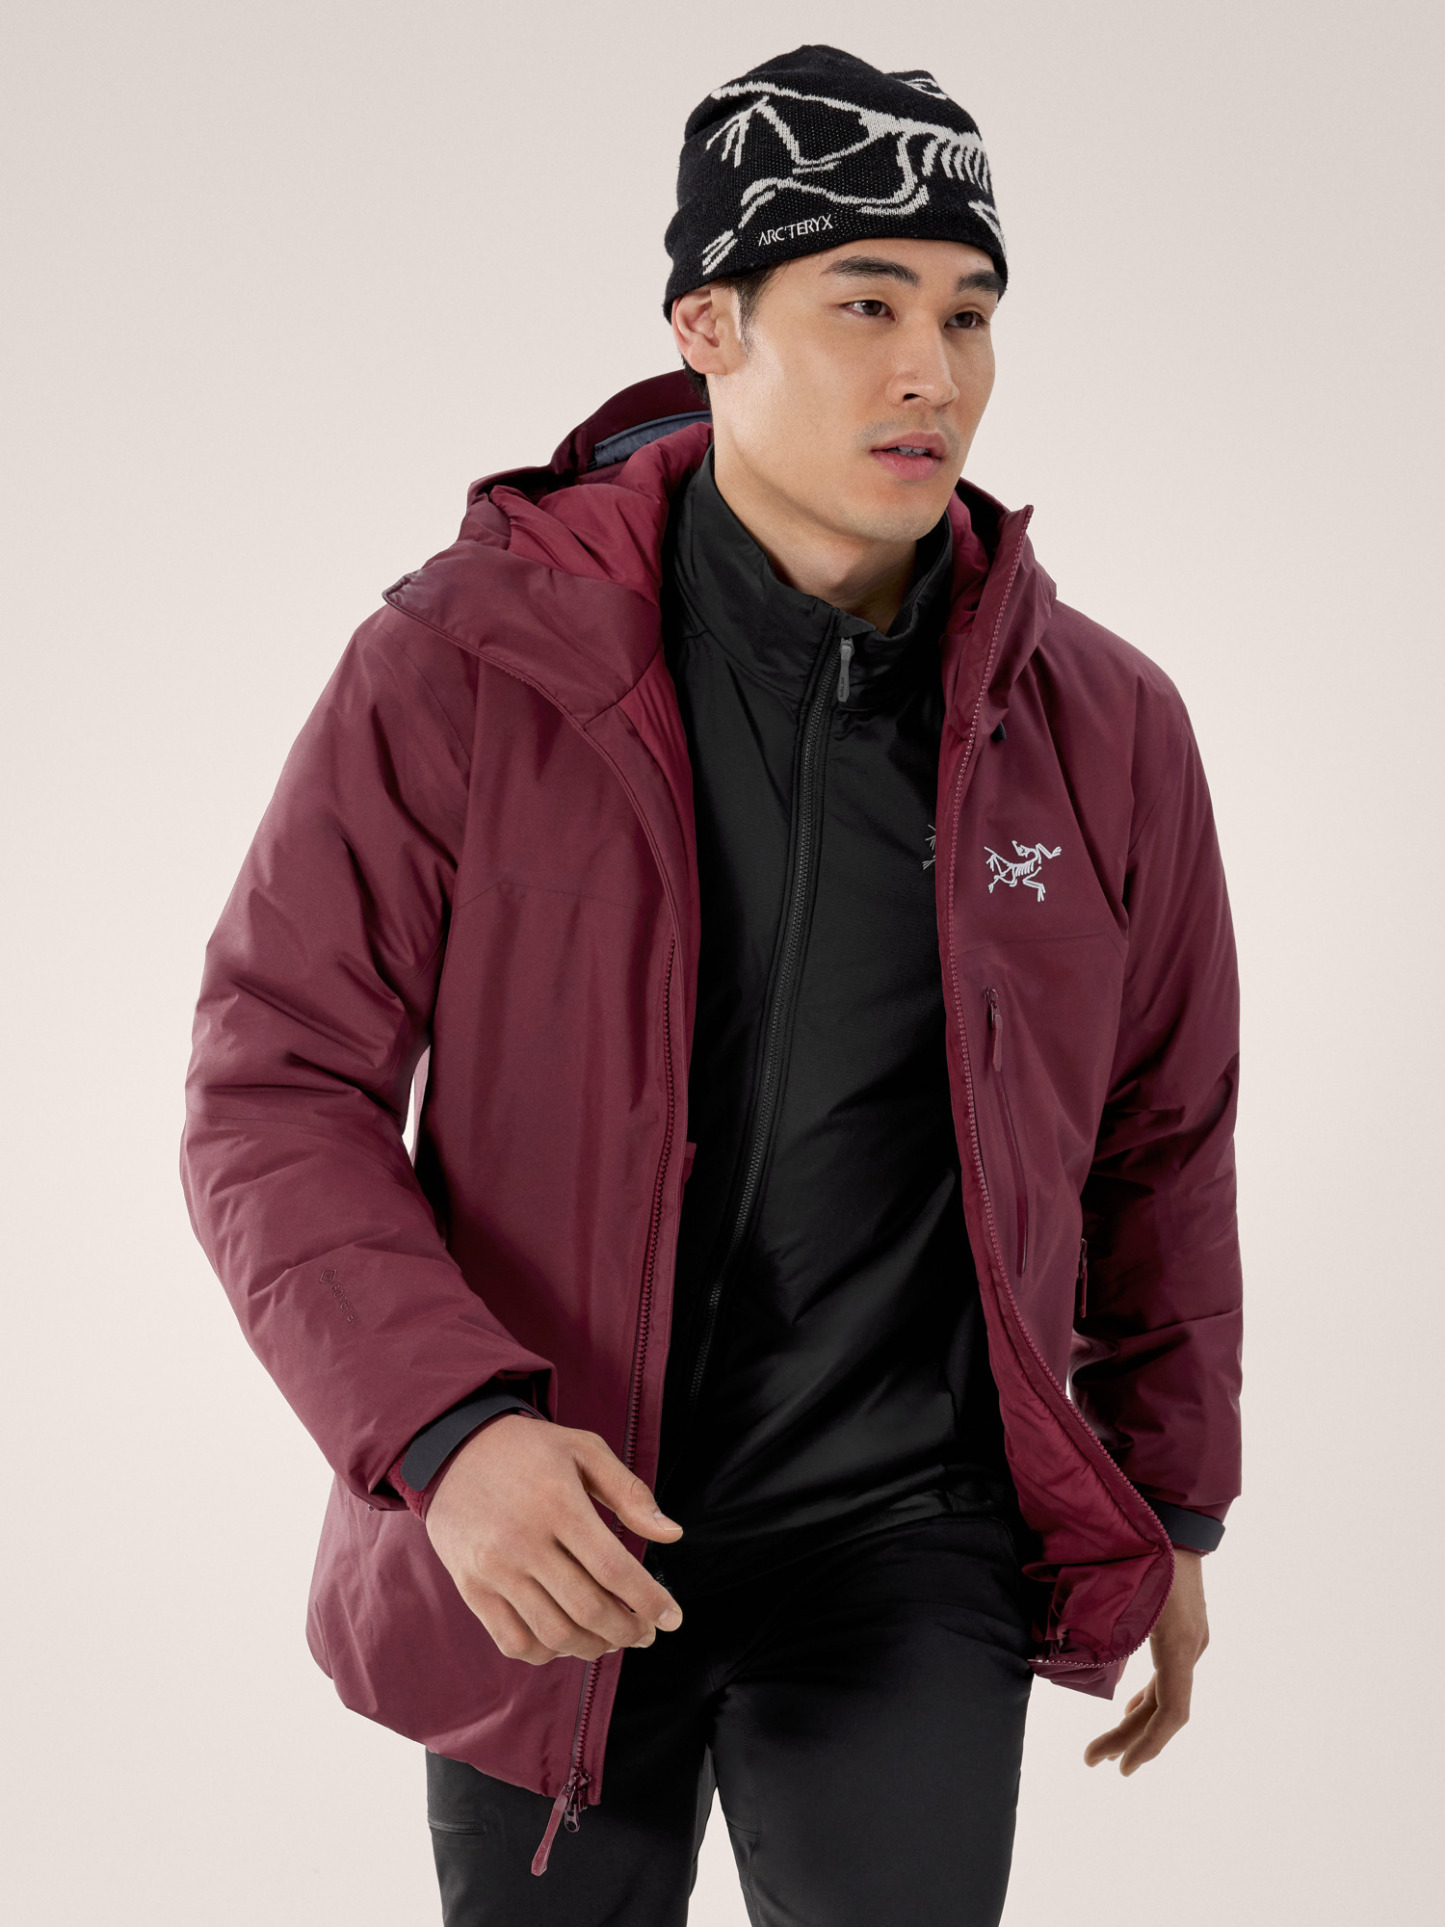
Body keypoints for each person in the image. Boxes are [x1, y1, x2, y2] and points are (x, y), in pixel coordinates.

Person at [181, 43, 1242, 1927]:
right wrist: (454, 1436)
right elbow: (276, 1085)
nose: (931, 372)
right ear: (707, 326)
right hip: (557, 1520)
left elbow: (1163, 1138)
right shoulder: (467, 666)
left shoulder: (1103, 725)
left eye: (969, 314)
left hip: (906, 1539)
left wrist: (1167, 1505)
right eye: (864, 304)